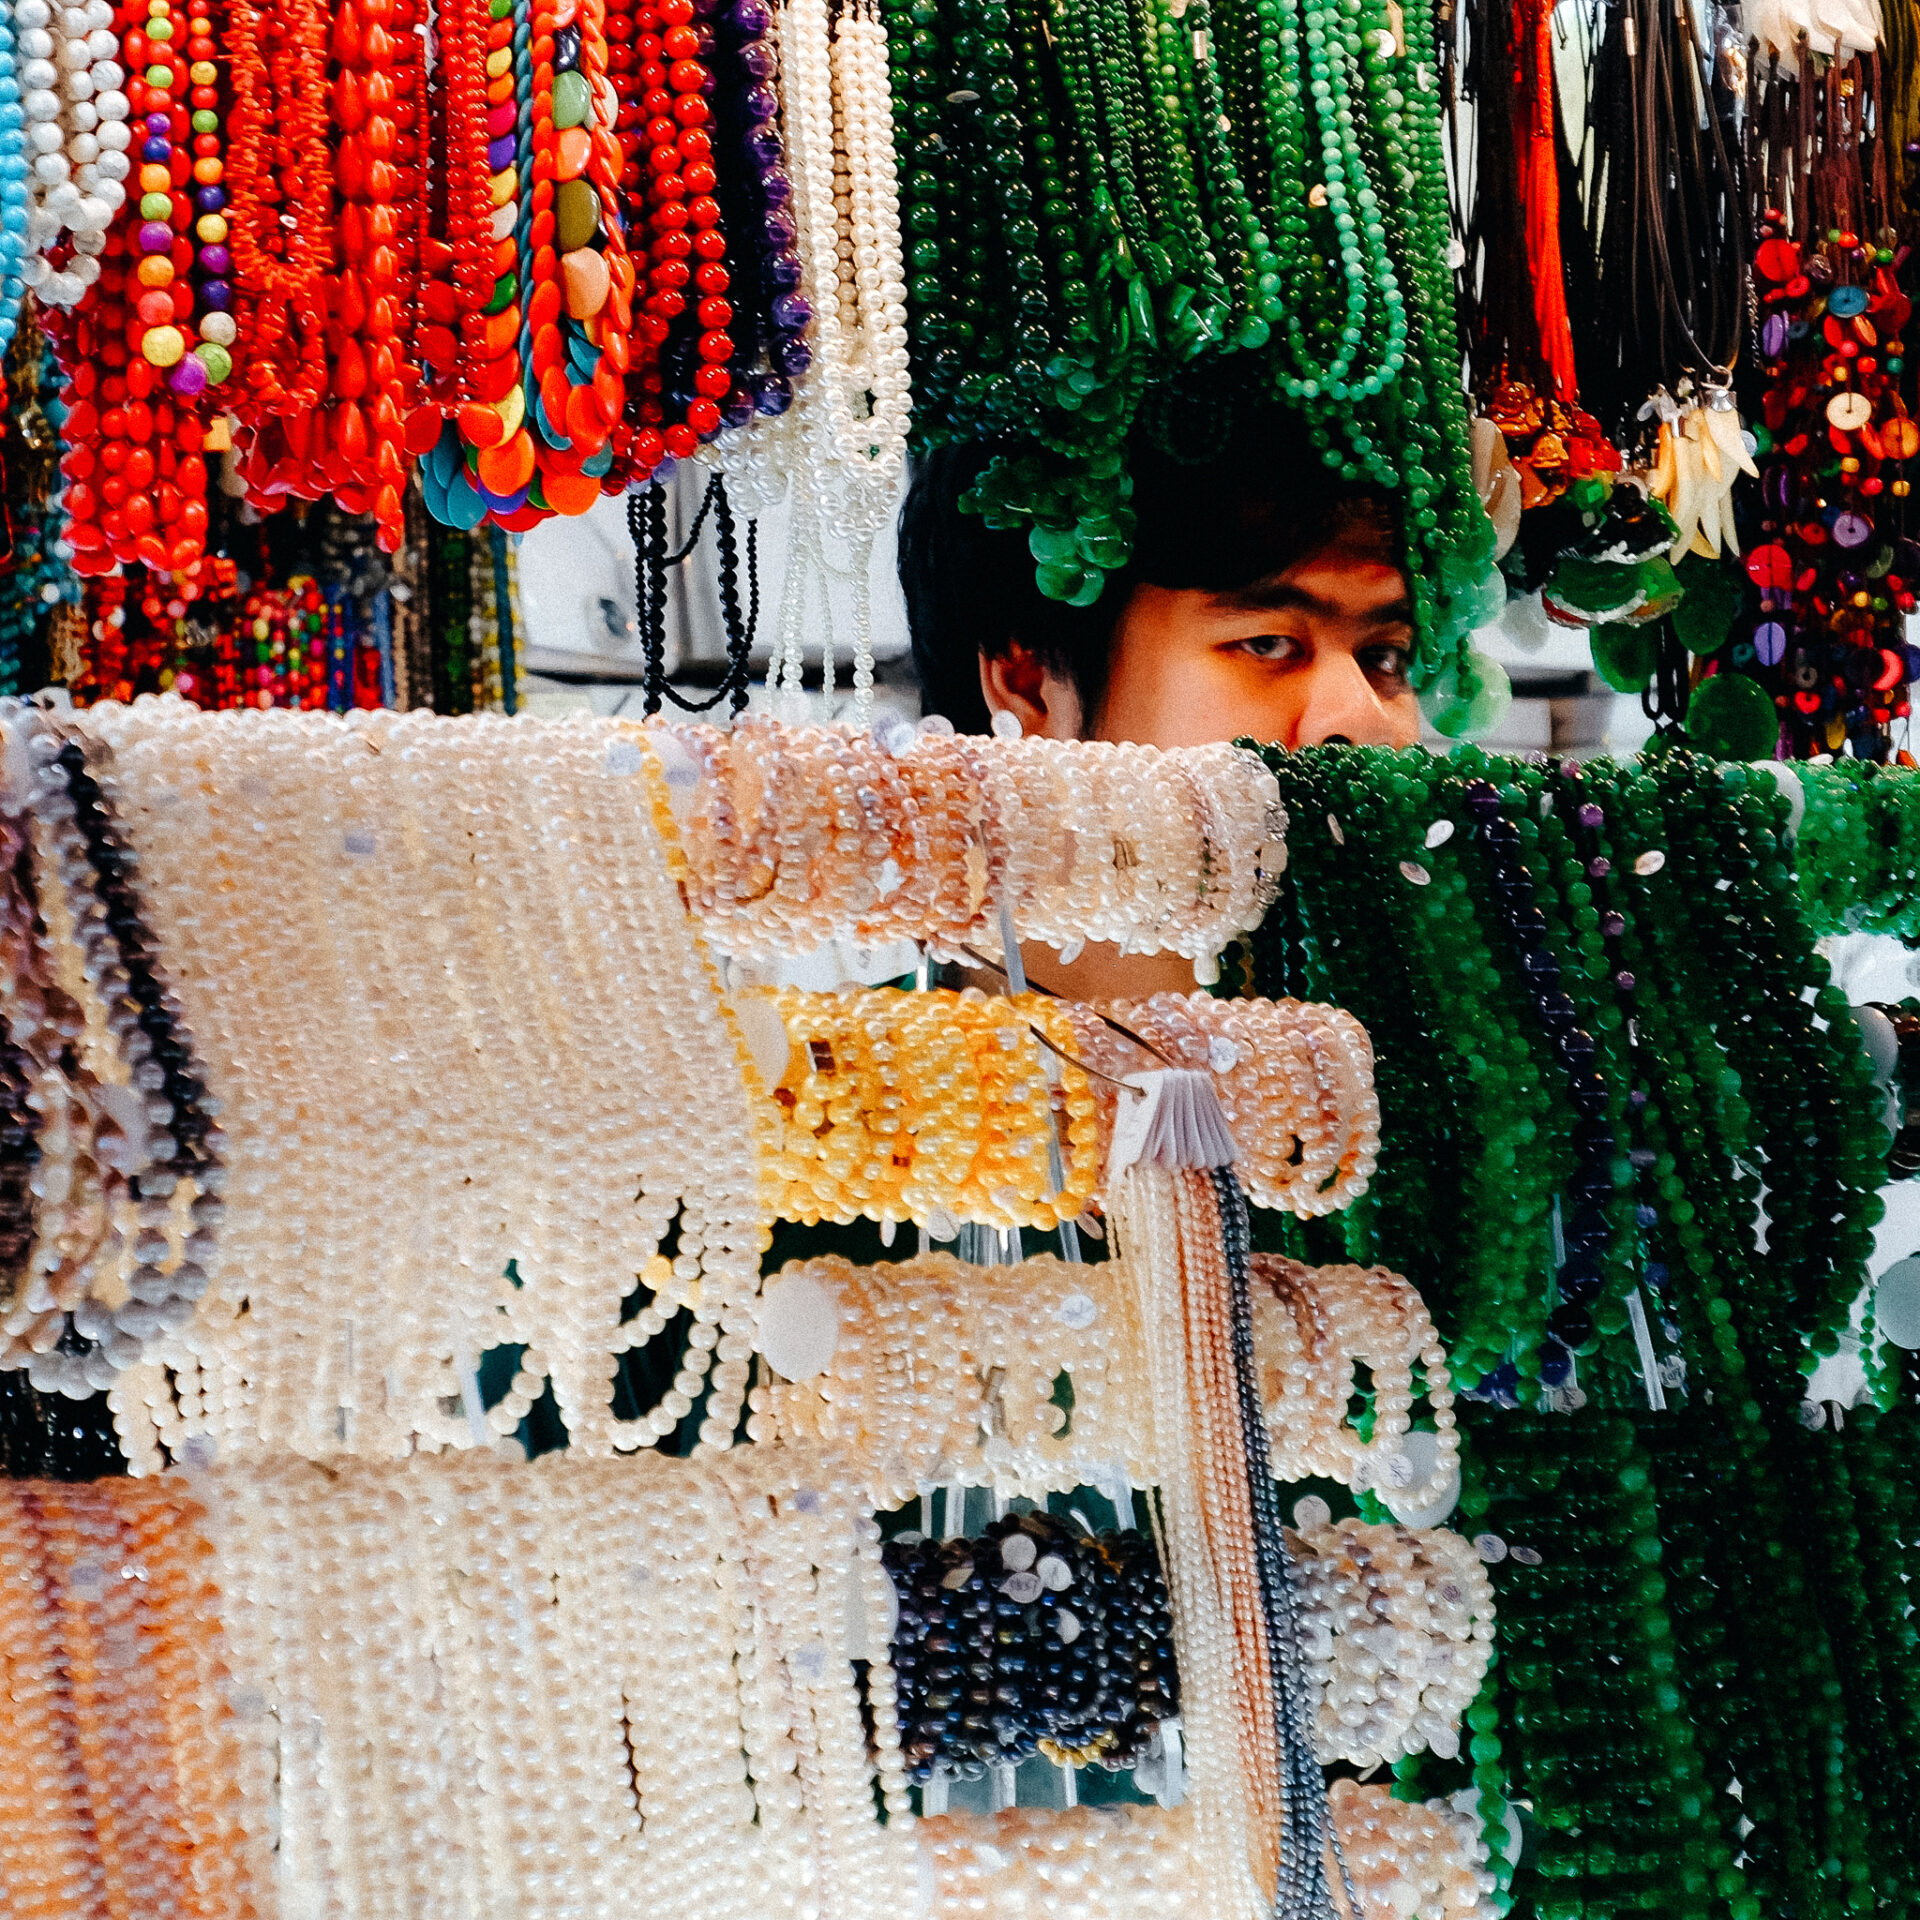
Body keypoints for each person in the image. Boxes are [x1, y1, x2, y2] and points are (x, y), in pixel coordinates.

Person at [898, 426, 1420, 994]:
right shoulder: (799, 1077)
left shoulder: (1449, 1077)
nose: (1365, 720)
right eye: (1267, 644)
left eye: (1384, 656)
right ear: (1030, 684)